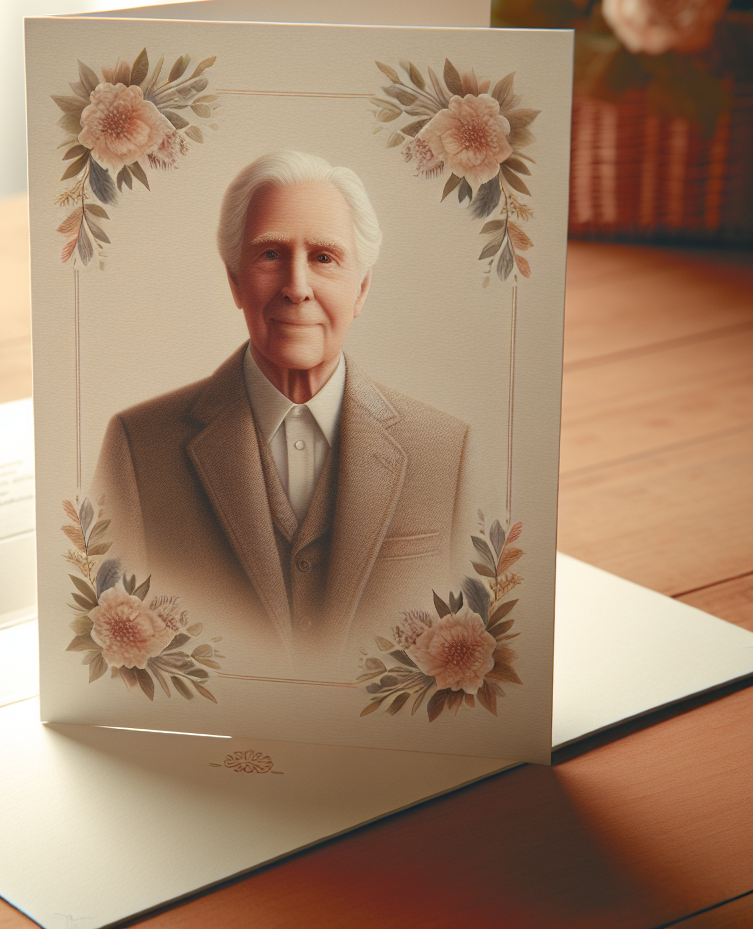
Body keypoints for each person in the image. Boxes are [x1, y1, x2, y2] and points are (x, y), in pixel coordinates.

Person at [93, 151, 473, 661]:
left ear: (361, 289)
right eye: (271, 254)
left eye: (324, 257)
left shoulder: (447, 451)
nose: (297, 287)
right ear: (234, 281)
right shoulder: (138, 449)